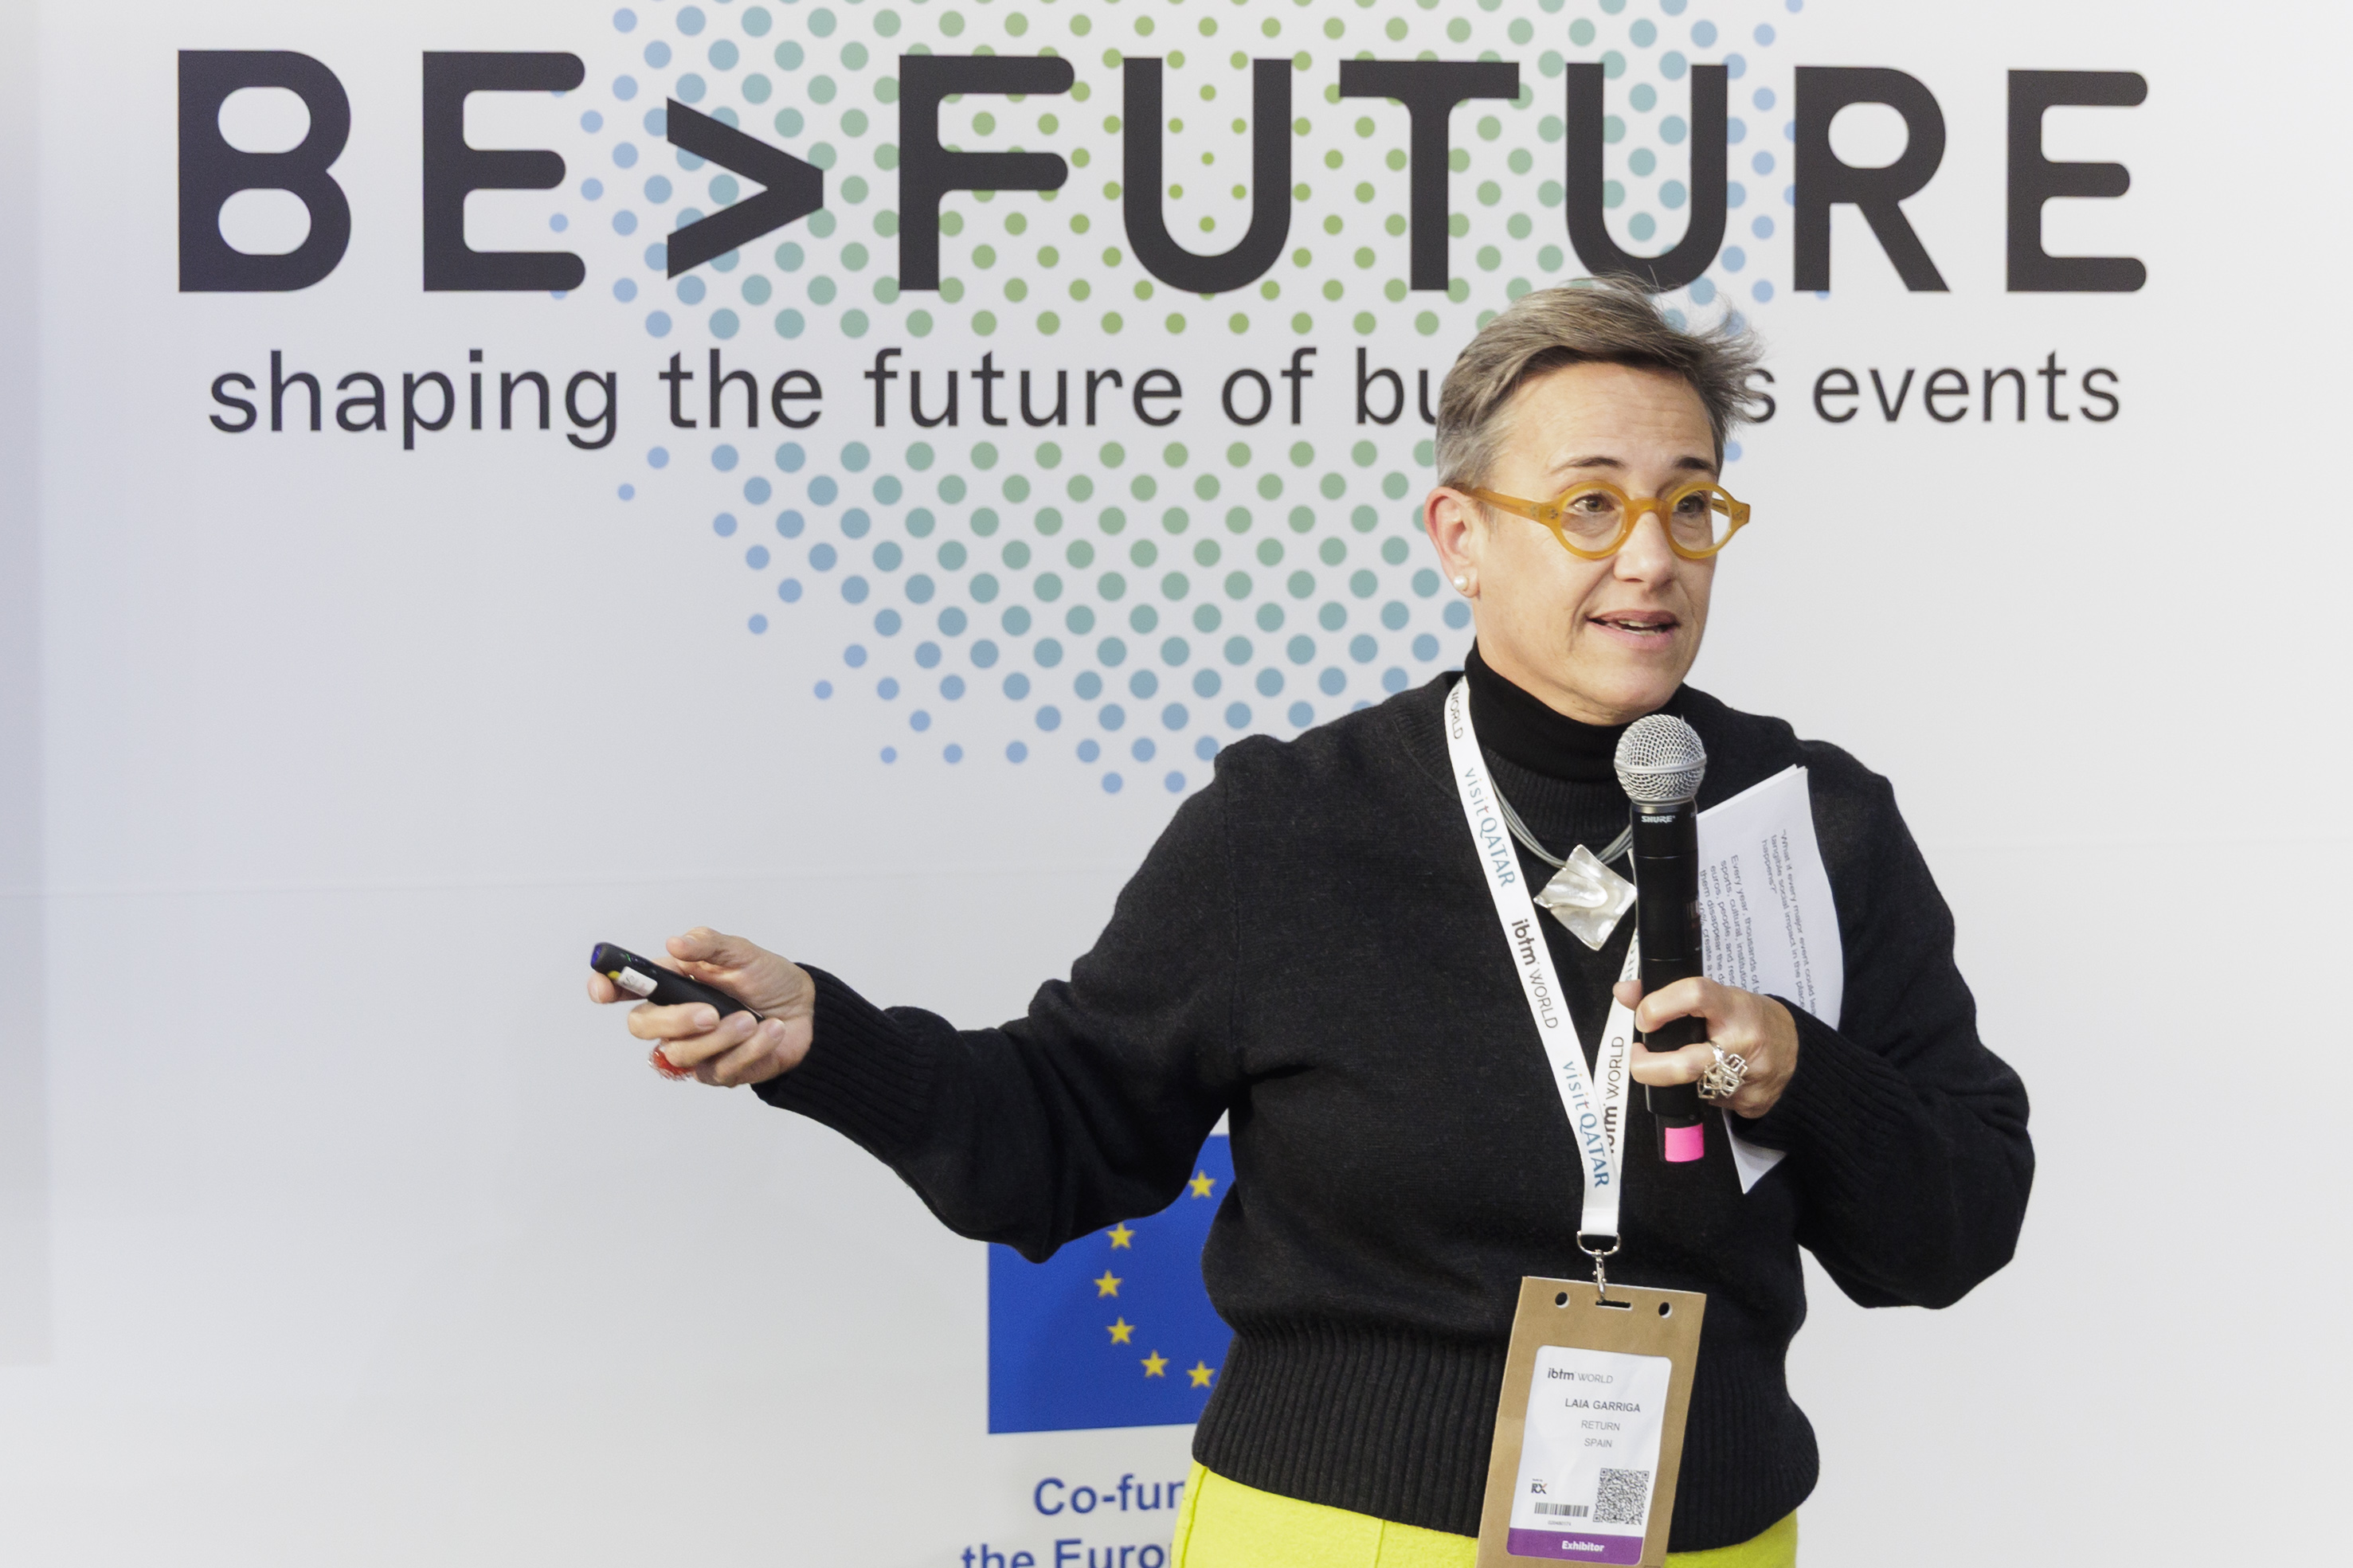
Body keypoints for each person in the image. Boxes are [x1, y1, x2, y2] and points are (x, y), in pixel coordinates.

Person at [587, 279, 2034, 1567]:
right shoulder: (1290, 823)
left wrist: (1801, 1073)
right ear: (1461, 537)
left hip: (1705, 1534)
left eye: (1689, 503)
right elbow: (1061, 1128)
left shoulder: (1813, 820)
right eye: (1588, 504)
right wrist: (827, 1041)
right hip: (1342, 1530)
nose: (1650, 557)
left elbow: (1956, 1227)